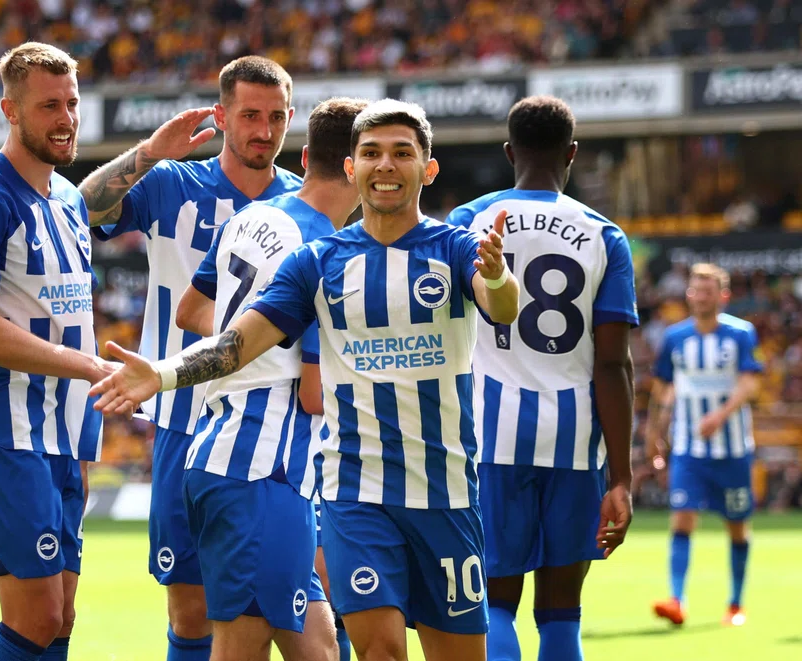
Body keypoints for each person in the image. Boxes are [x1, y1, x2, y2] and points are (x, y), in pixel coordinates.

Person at [88, 99, 522, 661]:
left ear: (428, 168)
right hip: (352, 492)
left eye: (401, 153)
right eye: (371, 153)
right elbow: (237, 342)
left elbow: (502, 307)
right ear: (351, 167)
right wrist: (163, 374)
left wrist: (499, 276)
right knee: (376, 652)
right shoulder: (315, 260)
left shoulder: (454, 248)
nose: (385, 165)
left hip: (444, 491)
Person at [78, 56, 303, 660]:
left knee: (290, 609)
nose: (264, 130)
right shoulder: (174, 184)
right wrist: (150, 153)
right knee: (190, 610)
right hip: (184, 419)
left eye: (276, 117)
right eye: (249, 115)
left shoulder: (306, 205)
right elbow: (83, 210)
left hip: (273, 429)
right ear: (221, 117)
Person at [0, 42, 114, 661]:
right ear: (10, 111)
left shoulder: (68, 200)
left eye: (71, 103)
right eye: (48, 106)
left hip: (67, 432)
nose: (66, 119)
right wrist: (90, 367)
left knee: (61, 616)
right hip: (1, 429)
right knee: (35, 617)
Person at [173, 97, 369, 661]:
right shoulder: (325, 254)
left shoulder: (249, 217)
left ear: (305, 157)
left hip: (232, 456)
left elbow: (191, 311)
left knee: (320, 648)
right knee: (241, 647)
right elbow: (313, 394)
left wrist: (262, 340)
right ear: (357, 168)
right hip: (261, 468)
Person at [446, 95, 637, 661]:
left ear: (510, 152)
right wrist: (622, 478)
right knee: (561, 612)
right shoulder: (604, 235)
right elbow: (613, 363)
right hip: (575, 442)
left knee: (495, 603)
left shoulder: (467, 222)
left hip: (492, 437)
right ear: (571, 154)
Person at [646, 263, 762, 628]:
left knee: (737, 526)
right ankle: (676, 599)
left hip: (733, 450)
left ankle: (735, 604)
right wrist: (654, 433)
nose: (701, 297)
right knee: (682, 518)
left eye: (708, 291)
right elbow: (663, 389)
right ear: (689, 295)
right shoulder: (675, 337)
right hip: (688, 449)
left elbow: (750, 383)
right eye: (696, 290)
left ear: (722, 296)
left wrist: (720, 416)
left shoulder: (740, 334)